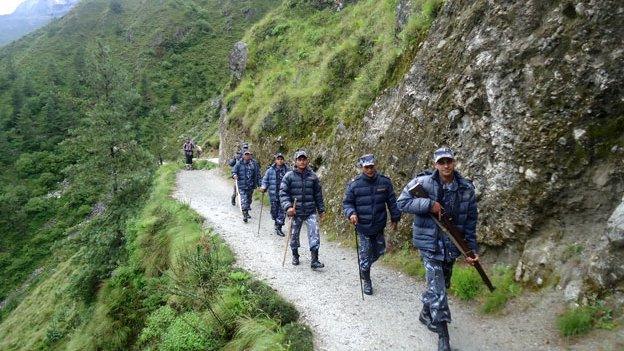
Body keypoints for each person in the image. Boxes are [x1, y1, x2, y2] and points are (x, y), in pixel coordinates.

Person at [397, 147, 479, 351]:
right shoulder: (423, 183)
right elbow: (402, 203)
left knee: (442, 285)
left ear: (454, 162)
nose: (445, 165)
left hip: (451, 247)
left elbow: (470, 222)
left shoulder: (466, 188)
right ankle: (444, 341)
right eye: (441, 162)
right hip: (429, 245)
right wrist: (428, 204)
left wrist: (471, 250)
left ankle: (426, 313)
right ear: (435, 164)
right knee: (439, 292)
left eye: (448, 161)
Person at [342, 154, 401, 295]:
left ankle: (364, 266)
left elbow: (392, 201)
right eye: (366, 167)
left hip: (379, 225)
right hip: (363, 227)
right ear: (362, 167)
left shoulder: (385, 182)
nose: (369, 169)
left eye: (371, 166)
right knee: (366, 253)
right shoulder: (354, 184)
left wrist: (395, 217)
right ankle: (367, 280)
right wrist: (352, 214)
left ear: (375, 166)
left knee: (380, 251)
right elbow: (347, 203)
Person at [279, 150, 326, 269]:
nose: (302, 161)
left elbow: (318, 195)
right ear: (295, 161)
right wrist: (288, 207)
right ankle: (295, 255)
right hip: (296, 212)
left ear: (307, 160)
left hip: (310, 211)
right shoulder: (288, 176)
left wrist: (321, 210)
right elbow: (283, 193)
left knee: (314, 234)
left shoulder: (313, 177)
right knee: (293, 235)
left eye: (304, 159)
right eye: (299, 159)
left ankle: (314, 260)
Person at [260, 152, 290, 236]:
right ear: (275, 160)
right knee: (274, 212)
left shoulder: (287, 170)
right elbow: (265, 180)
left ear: (283, 160)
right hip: (273, 194)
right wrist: (263, 187)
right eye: (278, 159)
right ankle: (276, 221)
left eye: (281, 159)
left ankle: (279, 226)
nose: (280, 161)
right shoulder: (270, 170)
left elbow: (291, 180)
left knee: (282, 211)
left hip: (284, 195)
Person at [232, 149, 261, 222]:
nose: (247, 156)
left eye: (248, 155)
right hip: (242, 185)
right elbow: (234, 171)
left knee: (249, 200)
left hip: (250, 186)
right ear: (243, 156)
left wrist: (259, 183)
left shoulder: (254, 164)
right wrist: (234, 175)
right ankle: (245, 214)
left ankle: (247, 211)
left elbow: (257, 174)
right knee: (244, 200)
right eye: (246, 155)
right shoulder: (239, 163)